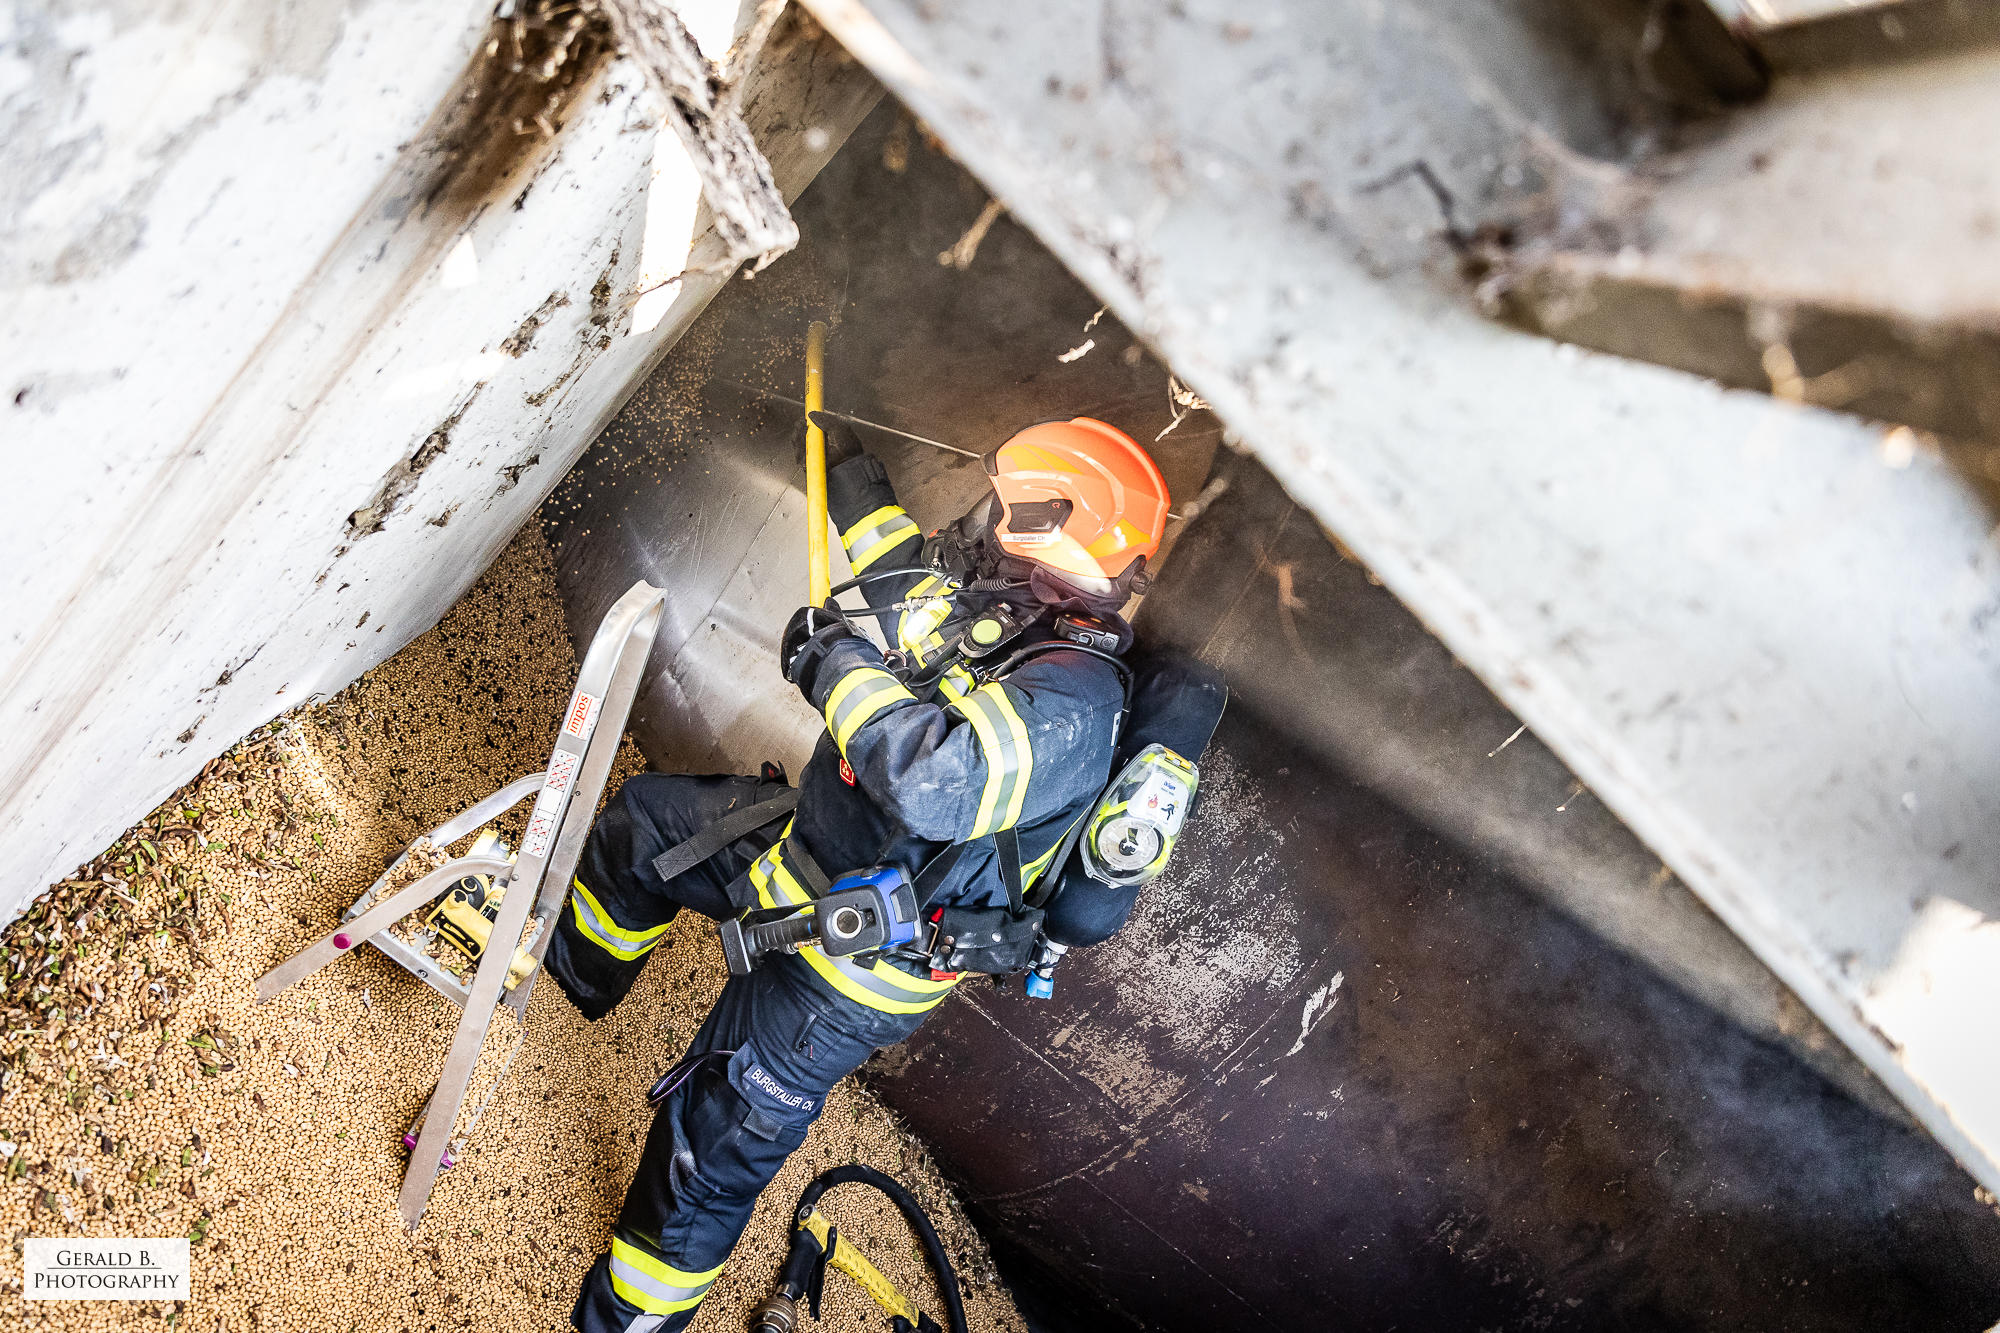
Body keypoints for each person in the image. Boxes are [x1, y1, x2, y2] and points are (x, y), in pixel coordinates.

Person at [548, 411, 1226, 1332]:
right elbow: (903, 574)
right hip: (810, 854)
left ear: (1050, 520)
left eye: (1006, 503)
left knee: (709, 1147)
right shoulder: (1011, 616)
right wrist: (845, 466)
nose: (987, 514)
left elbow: (936, 784)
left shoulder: (1072, 696)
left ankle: (624, 1319)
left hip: (849, 962)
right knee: (649, 827)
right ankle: (572, 984)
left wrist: (831, 662)